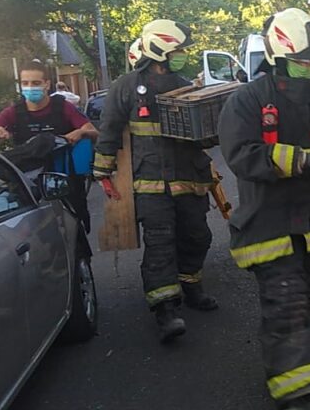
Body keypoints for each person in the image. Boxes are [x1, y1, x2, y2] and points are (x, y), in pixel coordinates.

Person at [219, 8, 310, 410]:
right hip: (270, 222)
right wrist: (304, 160)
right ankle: (296, 392)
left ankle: (287, 351)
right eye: (302, 60)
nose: (309, 67)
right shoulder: (247, 101)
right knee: (285, 298)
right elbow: (241, 154)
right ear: (279, 55)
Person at [93, 20, 218, 343]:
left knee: (197, 235)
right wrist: (103, 172)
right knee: (160, 242)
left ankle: (191, 285)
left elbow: (201, 133)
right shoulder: (127, 86)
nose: (182, 55)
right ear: (160, 49)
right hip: (150, 182)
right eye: (177, 50)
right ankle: (166, 309)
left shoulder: (186, 85)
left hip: (189, 178)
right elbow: (109, 130)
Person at [0, 59, 97, 230]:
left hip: (66, 186)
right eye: (25, 83)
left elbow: (94, 133)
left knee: (75, 232)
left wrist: (80, 132)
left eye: (36, 83)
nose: (30, 87)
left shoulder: (63, 108)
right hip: (29, 189)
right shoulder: (13, 112)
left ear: (47, 84)